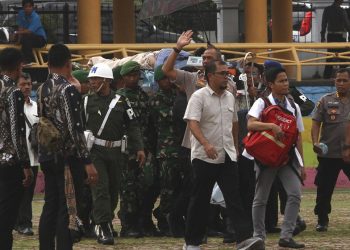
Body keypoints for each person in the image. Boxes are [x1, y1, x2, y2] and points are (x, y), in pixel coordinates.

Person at [183, 59, 264, 250]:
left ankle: (244, 238)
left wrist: (235, 147)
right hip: (204, 156)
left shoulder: (229, 96)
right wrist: (205, 144)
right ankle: (192, 243)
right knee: (200, 200)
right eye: (222, 74)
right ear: (210, 76)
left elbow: (234, 123)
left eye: (227, 73)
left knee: (234, 197)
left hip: (227, 155)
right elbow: (192, 123)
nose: (226, 77)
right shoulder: (198, 97)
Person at [162, 30, 234, 238]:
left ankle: (215, 226)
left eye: (209, 58)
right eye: (203, 58)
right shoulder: (191, 78)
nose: (204, 61)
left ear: (220, 63)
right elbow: (167, 71)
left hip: (221, 142)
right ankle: (178, 219)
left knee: (219, 188)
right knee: (196, 188)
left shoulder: (225, 83)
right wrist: (177, 48)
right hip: (194, 143)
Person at [37, 43, 98, 250]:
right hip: (66, 157)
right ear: (68, 63)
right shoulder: (68, 89)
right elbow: (75, 129)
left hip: (47, 154)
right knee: (67, 208)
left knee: (50, 205)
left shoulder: (42, 88)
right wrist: (87, 161)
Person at [84, 63, 145, 244]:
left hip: (117, 151)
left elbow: (132, 125)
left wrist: (139, 147)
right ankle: (103, 226)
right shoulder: (86, 101)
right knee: (100, 189)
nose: (92, 83)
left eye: (96, 79)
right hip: (96, 152)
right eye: (91, 79)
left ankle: (104, 220)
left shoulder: (121, 101)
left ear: (107, 80)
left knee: (113, 190)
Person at [246, 67, 306, 249]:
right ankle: (258, 236)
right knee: (261, 198)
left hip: (286, 159)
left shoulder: (293, 106)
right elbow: (250, 123)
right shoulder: (262, 102)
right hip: (266, 158)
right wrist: (271, 126)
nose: (286, 84)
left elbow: (298, 136)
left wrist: (301, 164)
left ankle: (286, 236)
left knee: (295, 194)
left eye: (286, 80)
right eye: (281, 81)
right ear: (270, 84)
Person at [116, 61, 155, 237]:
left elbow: (148, 124)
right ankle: (127, 224)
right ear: (123, 77)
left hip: (143, 148)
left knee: (144, 185)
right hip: (125, 150)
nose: (133, 78)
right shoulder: (119, 97)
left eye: (135, 75)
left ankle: (142, 221)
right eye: (129, 75)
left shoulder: (143, 96)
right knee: (128, 188)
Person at [0, 47, 33, 250]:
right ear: (17, 65)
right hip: (9, 162)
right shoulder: (13, 92)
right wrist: (25, 165)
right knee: (6, 216)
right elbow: (17, 132)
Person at [311, 68, 350, 232]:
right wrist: (315, 142)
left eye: (344, 80)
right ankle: (322, 219)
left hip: (349, 153)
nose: (341, 83)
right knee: (324, 189)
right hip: (329, 154)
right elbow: (315, 122)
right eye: (338, 80)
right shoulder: (325, 100)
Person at [15, 72, 39, 236]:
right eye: (23, 84)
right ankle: (21, 222)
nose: (26, 87)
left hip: (34, 156)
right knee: (15, 191)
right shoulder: (9, 106)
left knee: (28, 192)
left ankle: (24, 222)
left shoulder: (37, 106)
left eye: (29, 84)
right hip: (16, 157)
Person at [321, 0, 350, 79]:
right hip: (341, 36)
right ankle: (344, 77)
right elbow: (347, 25)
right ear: (340, 1)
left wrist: (322, 36)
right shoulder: (341, 11)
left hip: (330, 35)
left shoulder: (327, 9)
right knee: (343, 57)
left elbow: (324, 23)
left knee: (330, 56)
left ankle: (326, 77)